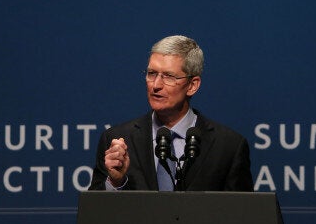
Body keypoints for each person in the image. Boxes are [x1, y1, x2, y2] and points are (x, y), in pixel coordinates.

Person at [89, 35, 253, 191]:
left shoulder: (228, 146)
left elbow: (243, 213)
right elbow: (94, 213)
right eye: (152, 74)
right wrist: (116, 182)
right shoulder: (117, 141)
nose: (156, 85)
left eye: (169, 76)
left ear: (192, 85)